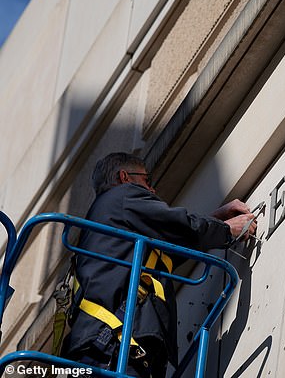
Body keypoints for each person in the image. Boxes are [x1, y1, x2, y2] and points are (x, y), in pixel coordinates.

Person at [62, 152, 256, 377]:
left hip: (105, 347)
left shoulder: (110, 223)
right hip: (114, 346)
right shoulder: (122, 195)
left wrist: (216, 220)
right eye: (147, 181)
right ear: (124, 177)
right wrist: (226, 230)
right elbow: (178, 223)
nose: (152, 190)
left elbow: (169, 250)